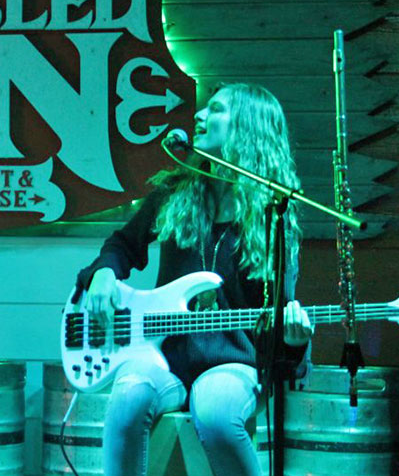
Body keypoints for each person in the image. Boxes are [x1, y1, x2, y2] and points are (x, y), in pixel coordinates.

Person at [76, 83, 313, 476]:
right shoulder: (176, 192)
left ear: (247, 127)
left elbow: (279, 320)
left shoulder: (273, 214)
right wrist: (102, 274)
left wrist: (295, 342)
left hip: (235, 363)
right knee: (128, 396)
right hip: (165, 358)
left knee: (216, 411)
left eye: (215, 109)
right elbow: (123, 244)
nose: (199, 116)